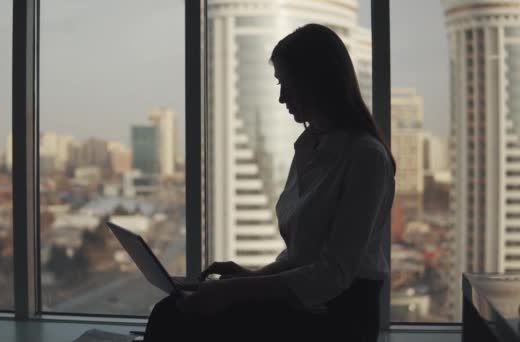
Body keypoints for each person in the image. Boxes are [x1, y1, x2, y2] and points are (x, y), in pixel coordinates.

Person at [142, 23, 396, 342]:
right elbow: (301, 256)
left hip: (339, 317)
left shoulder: (365, 157)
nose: (280, 97)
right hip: (310, 304)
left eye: (286, 83)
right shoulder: (309, 147)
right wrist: (251, 278)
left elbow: (334, 273)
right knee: (176, 308)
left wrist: (233, 292)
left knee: (176, 316)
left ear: (316, 81)